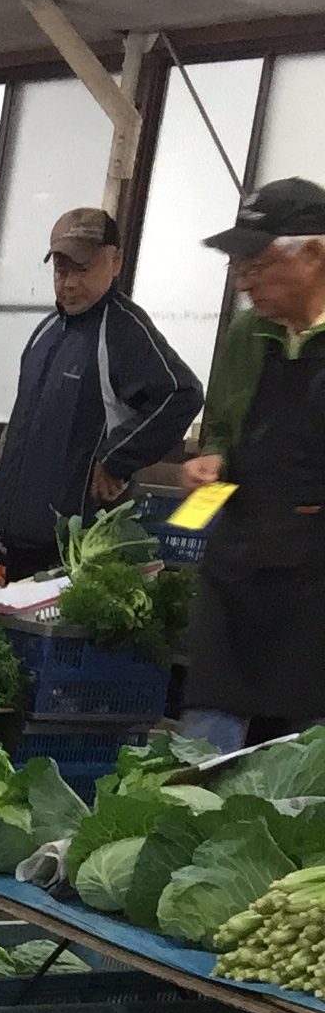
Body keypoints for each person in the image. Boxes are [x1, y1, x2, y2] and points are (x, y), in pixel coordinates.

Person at [0, 207, 199, 579]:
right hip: (18, 554)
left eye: (82, 270)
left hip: (76, 561)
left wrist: (117, 458)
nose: (68, 284)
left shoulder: (122, 331)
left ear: (115, 262)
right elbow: (21, 450)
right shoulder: (45, 334)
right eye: (60, 270)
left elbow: (181, 394)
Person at [175, 177, 325, 753]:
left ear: (313, 254)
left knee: (302, 759)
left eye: (256, 264)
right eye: (237, 265)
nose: (242, 281)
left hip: (316, 582)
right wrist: (210, 457)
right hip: (237, 565)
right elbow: (220, 425)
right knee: (206, 739)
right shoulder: (247, 333)